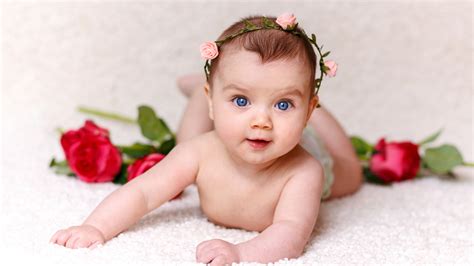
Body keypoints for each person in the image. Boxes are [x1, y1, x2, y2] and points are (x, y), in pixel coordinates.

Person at [50, 13, 362, 265]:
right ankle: (203, 94)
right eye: (241, 100)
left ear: (306, 112)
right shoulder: (200, 153)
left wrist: (241, 253)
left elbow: (290, 233)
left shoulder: (305, 172)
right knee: (187, 139)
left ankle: (317, 112)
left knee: (351, 175)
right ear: (214, 100)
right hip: (218, 132)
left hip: (304, 143)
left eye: (284, 104)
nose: (261, 121)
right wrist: (96, 227)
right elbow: (143, 192)